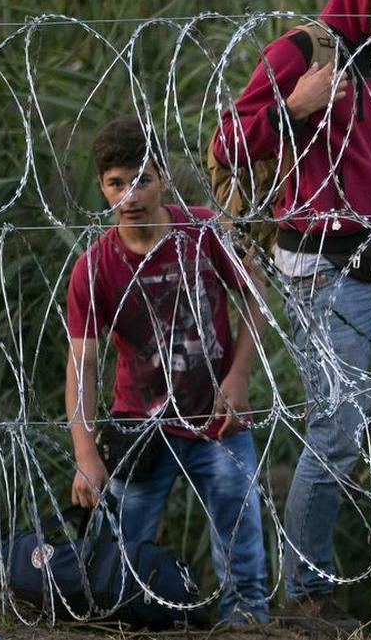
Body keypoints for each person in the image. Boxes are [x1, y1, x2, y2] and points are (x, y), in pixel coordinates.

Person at [210, 0, 371, 631]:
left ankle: (365, 404)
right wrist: (294, 106)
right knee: (332, 435)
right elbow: (227, 142)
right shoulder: (302, 50)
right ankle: (307, 596)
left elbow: (352, 144)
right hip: (326, 270)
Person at [66, 115, 268, 625]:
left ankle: (243, 630)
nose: (130, 195)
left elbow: (254, 293)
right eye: (117, 183)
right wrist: (86, 454)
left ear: (160, 178)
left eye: (142, 180)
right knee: (116, 561)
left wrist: (239, 377)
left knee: (242, 560)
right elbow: (83, 364)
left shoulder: (200, 230)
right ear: (102, 187)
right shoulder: (96, 267)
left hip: (216, 421)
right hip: (140, 427)